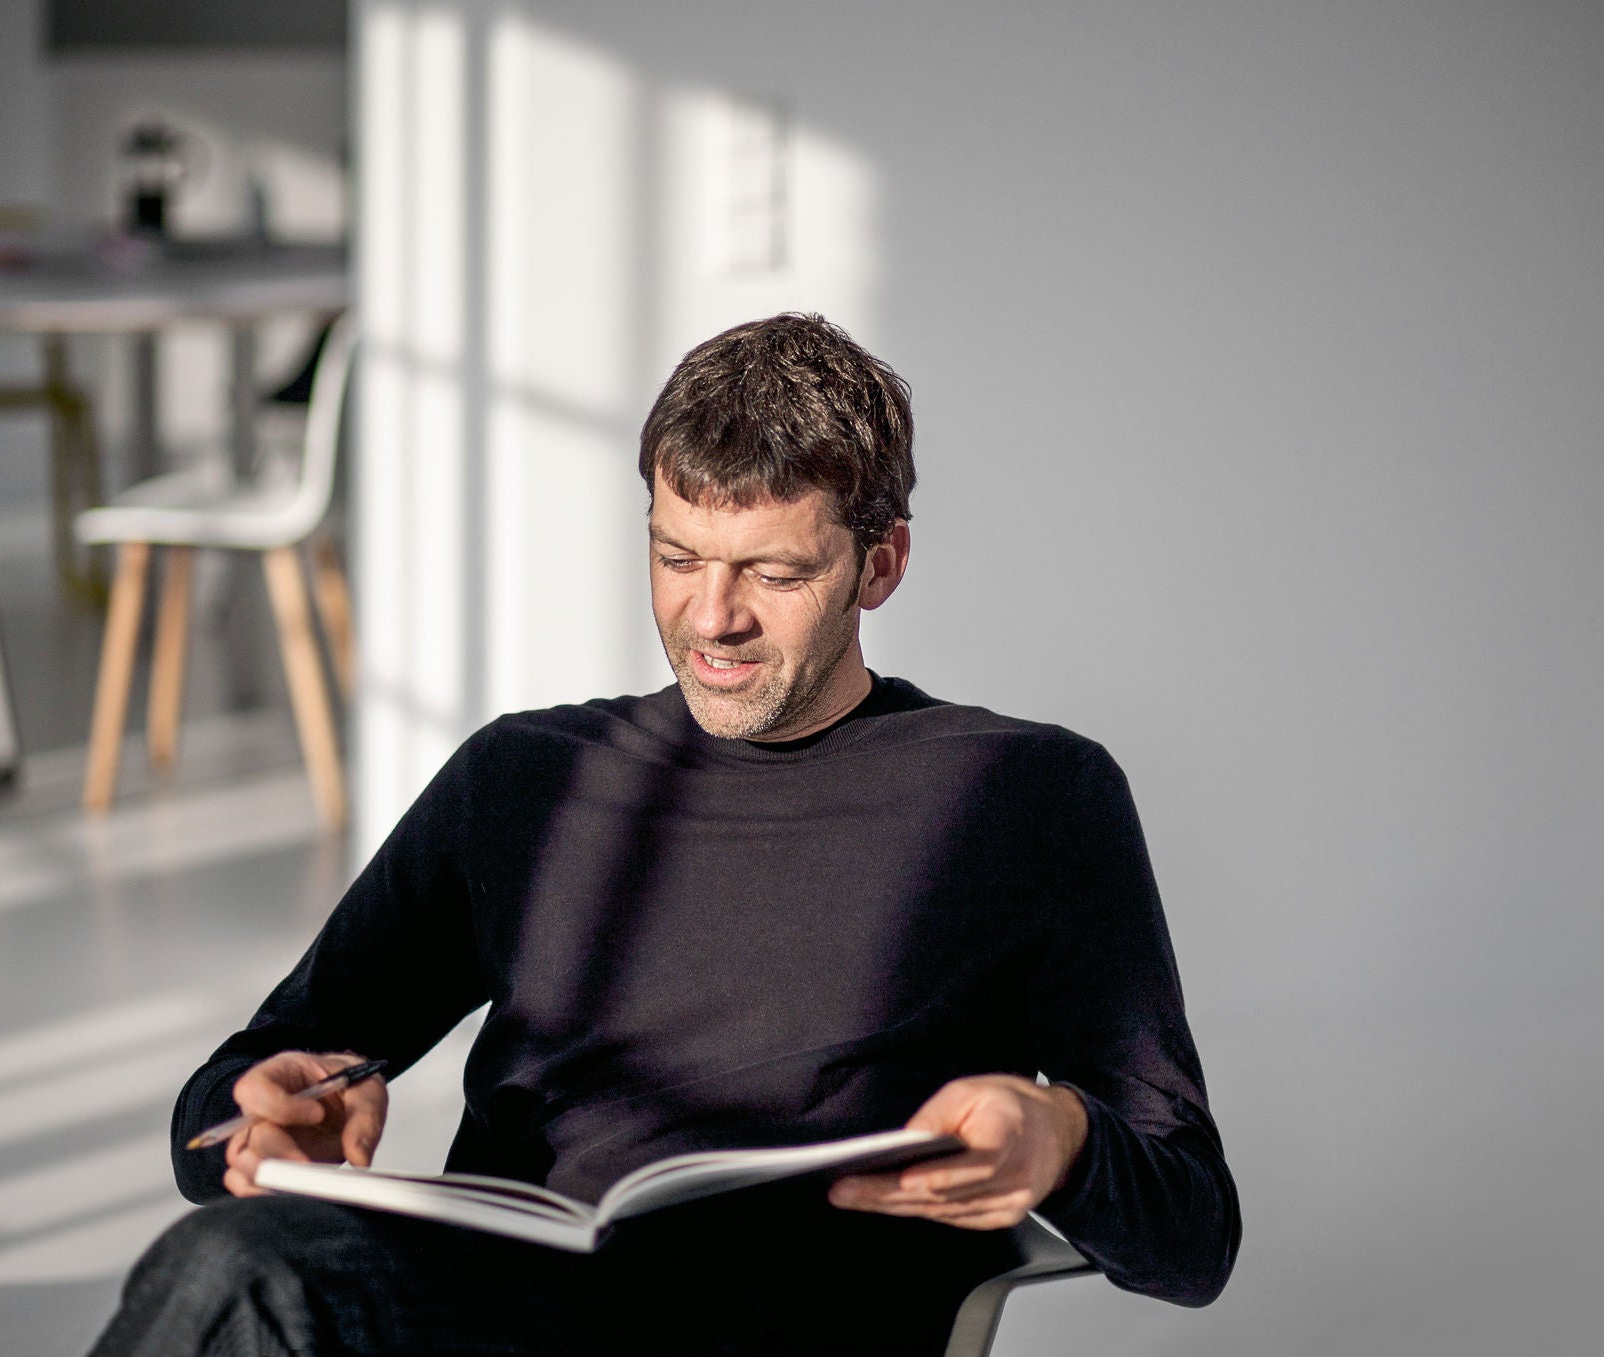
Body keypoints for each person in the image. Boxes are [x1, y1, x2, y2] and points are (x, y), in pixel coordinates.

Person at [89, 314, 1240, 1357]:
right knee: (235, 1271)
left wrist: (1067, 1140)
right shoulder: (526, 778)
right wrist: (259, 1118)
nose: (712, 618)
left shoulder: (1026, 795)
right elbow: (233, 1097)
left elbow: (1192, 1237)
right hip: (497, 1315)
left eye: (774, 572)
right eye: (677, 557)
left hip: (791, 1327)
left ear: (879, 564)